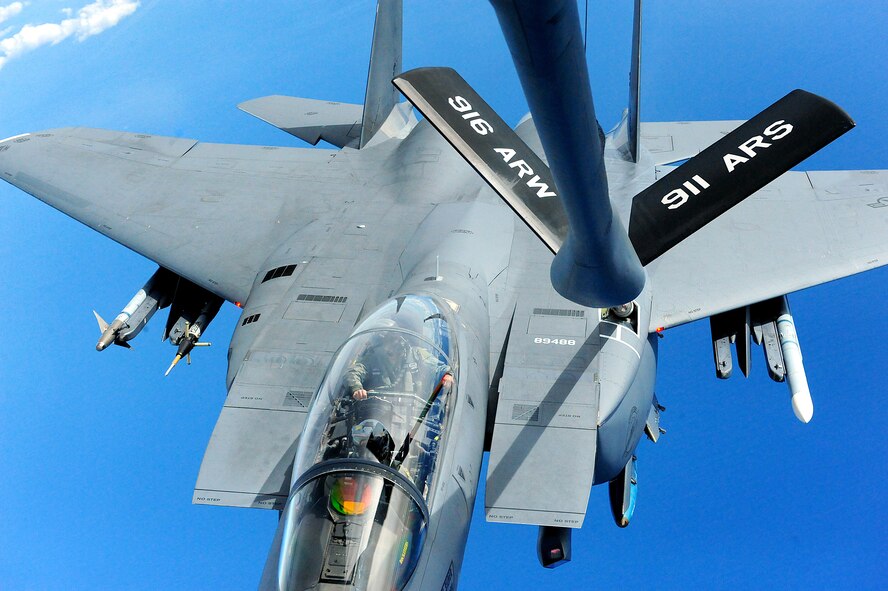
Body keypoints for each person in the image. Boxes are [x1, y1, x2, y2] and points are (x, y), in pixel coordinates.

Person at [344, 331, 452, 401]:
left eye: (393, 342)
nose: (389, 348)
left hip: (415, 414)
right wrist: (357, 389)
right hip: (379, 412)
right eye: (386, 343)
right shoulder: (373, 358)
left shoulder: (416, 354)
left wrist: (447, 375)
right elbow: (354, 372)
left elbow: (439, 368)